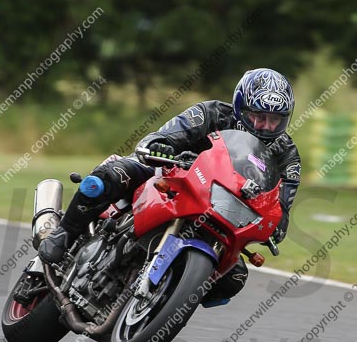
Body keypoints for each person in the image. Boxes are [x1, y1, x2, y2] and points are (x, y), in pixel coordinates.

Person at [38, 68, 302, 302]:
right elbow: (166, 135)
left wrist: (276, 226)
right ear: (240, 108)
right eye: (258, 116)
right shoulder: (211, 113)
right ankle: (65, 233)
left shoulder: (286, 154)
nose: (265, 126)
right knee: (107, 178)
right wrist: (161, 144)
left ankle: (171, 294)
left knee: (234, 279)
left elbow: (282, 207)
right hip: (172, 177)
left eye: (275, 120)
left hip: (223, 212)